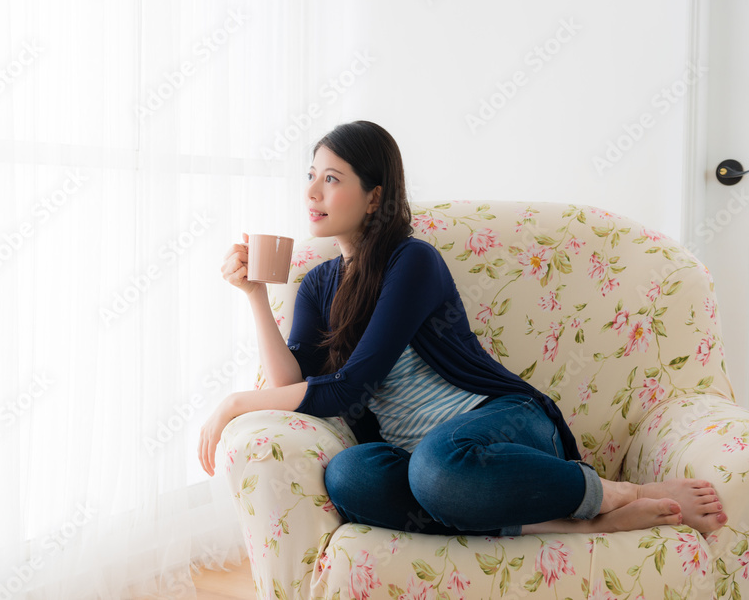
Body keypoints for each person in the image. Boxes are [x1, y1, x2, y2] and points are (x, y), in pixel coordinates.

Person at [198, 119, 728, 536]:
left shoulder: (413, 261)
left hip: (500, 428)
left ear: (375, 196)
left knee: (438, 469)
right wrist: (256, 297)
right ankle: (568, 523)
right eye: (310, 176)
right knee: (349, 477)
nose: (312, 191)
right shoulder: (318, 285)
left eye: (332, 179)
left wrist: (234, 403)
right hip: (427, 464)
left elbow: (351, 387)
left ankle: (614, 494)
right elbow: (300, 379)